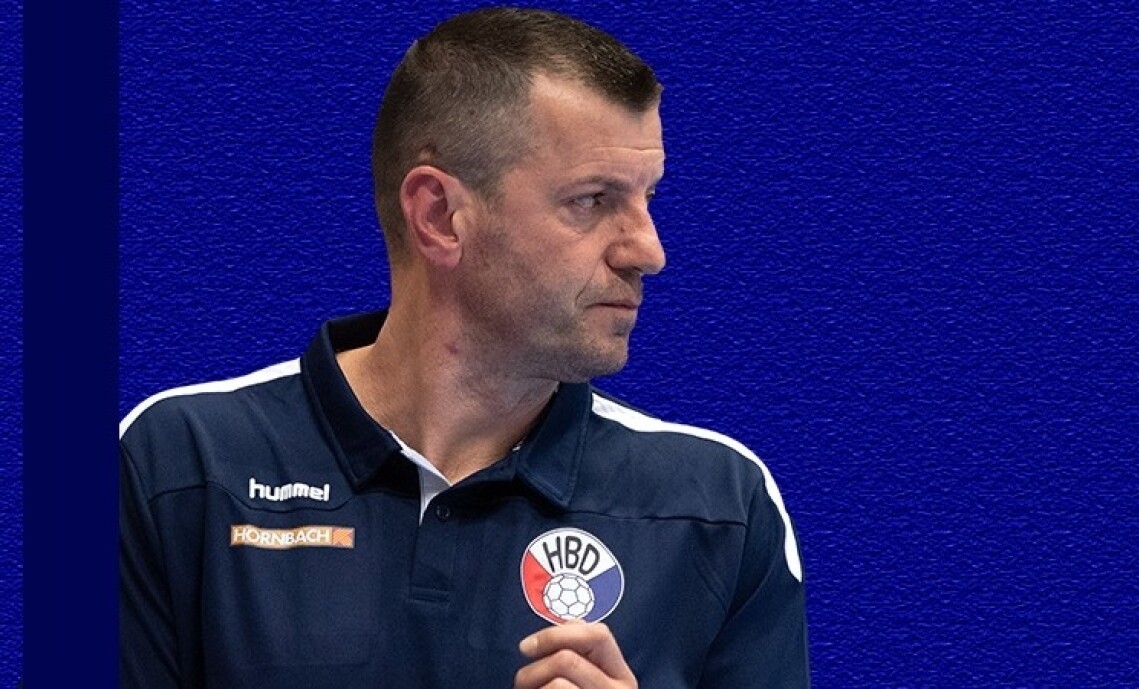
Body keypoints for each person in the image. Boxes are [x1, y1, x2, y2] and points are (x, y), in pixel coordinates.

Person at [120, 7, 809, 688]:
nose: (648, 251)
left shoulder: (719, 506)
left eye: (648, 196)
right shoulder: (181, 464)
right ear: (440, 216)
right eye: (592, 200)